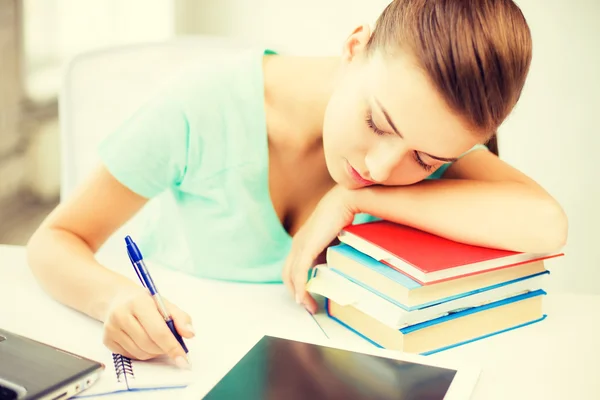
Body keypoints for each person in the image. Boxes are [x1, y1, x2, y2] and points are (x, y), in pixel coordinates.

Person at [26, 0, 568, 369]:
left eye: (425, 161)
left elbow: (548, 224)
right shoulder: (200, 106)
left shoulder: (427, 139)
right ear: (356, 45)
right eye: (378, 123)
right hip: (180, 361)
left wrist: (353, 197)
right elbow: (56, 240)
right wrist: (114, 298)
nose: (382, 167)